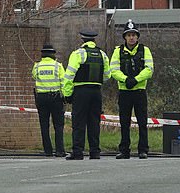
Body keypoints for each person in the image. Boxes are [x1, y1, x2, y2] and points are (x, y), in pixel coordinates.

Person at [63, 29, 111, 160]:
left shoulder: (78, 54)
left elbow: (69, 76)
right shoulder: (102, 54)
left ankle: (78, 152)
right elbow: (107, 75)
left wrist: (67, 94)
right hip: (96, 91)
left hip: (81, 91)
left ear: (82, 40)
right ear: (94, 40)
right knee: (94, 122)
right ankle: (95, 152)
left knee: (78, 122)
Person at [110, 20, 154, 159]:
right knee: (124, 122)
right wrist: (125, 79)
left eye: (134, 35)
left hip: (139, 91)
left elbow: (149, 69)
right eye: (128, 35)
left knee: (142, 122)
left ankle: (143, 150)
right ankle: (124, 150)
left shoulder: (144, 50)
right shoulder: (118, 51)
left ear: (137, 36)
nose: (131, 37)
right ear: (124, 37)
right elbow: (114, 70)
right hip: (124, 91)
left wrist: (135, 79)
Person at [32, 44, 66, 157]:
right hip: (55, 97)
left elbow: (34, 76)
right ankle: (60, 150)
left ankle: (48, 151)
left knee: (44, 125)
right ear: (53, 55)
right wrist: (65, 97)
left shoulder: (37, 66)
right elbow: (63, 82)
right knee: (58, 125)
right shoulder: (58, 66)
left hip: (41, 98)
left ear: (43, 54)